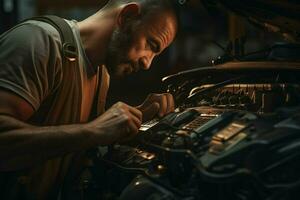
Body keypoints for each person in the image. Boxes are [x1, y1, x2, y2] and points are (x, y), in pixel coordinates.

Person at [0, 0, 178, 199]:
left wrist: (134, 121)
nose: (147, 63)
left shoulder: (101, 74)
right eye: (151, 45)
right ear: (127, 16)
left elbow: (66, 138)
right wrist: (94, 130)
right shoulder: (38, 42)